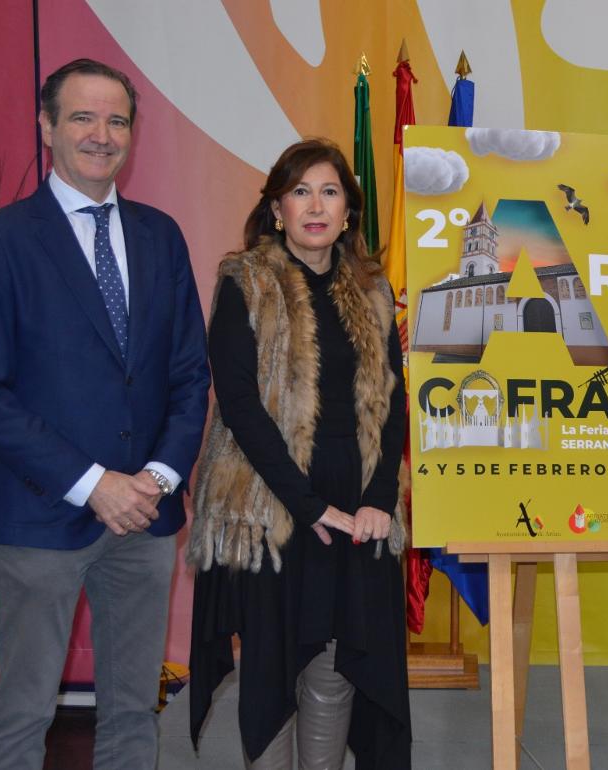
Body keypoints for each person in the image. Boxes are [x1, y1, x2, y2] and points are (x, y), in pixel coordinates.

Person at [0, 58, 210, 769]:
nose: (102, 134)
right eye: (83, 117)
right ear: (46, 127)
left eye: (117, 119)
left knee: (132, 717)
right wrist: (94, 482)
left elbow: (190, 374)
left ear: (132, 132)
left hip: (146, 520)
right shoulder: (1, 238)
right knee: (23, 717)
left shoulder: (161, 236)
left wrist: (154, 478)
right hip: (39, 518)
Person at [187, 138, 410, 769]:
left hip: (358, 503)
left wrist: (377, 502)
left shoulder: (372, 291)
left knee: (339, 659)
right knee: (275, 661)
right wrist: (307, 505)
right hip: (272, 504)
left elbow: (392, 402)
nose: (316, 205)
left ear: (348, 212)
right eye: (300, 191)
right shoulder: (246, 281)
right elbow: (237, 403)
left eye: (330, 191)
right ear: (278, 208)